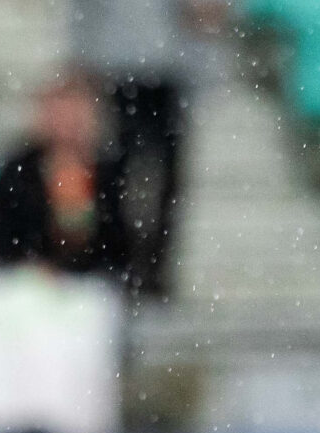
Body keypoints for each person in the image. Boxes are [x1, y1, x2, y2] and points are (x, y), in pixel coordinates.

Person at [67, 0, 212, 299]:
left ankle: (151, 264)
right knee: (117, 172)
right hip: (125, 65)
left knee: (162, 175)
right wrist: (82, 58)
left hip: (166, 66)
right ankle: (124, 259)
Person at [0, 75, 133, 280]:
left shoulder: (107, 172)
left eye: (73, 115)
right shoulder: (18, 170)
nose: (65, 125)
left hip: (87, 282)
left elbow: (119, 245)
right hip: (25, 279)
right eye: (58, 114)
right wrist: (30, 263)